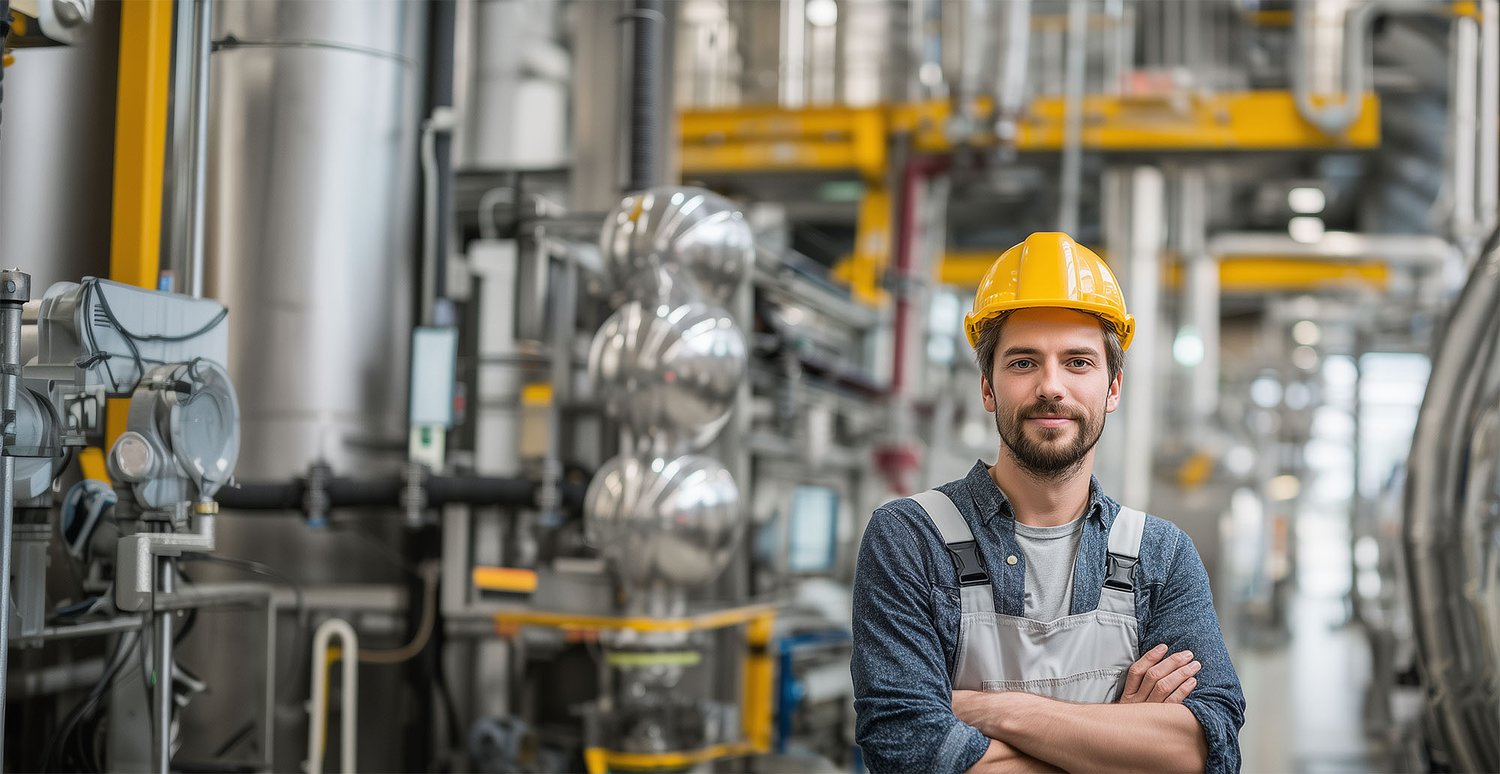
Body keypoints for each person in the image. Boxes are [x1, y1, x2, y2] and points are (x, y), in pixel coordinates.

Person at [851, 232, 1245, 773]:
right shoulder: (911, 538)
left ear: (1113, 388)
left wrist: (997, 711)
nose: (1051, 387)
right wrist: (1116, 745)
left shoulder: (1161, 555)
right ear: (987, 387)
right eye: (1023, 363)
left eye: (1078, 362)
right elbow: (907, 751)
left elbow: (1209, 750)